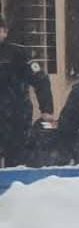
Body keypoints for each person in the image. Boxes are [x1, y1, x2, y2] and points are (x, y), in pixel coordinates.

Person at [0, 17, 54, 167]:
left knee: (16, 163)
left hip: (15, 118)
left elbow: (40, 79)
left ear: (5, 32)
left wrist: (46, 110)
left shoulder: (18, 54)